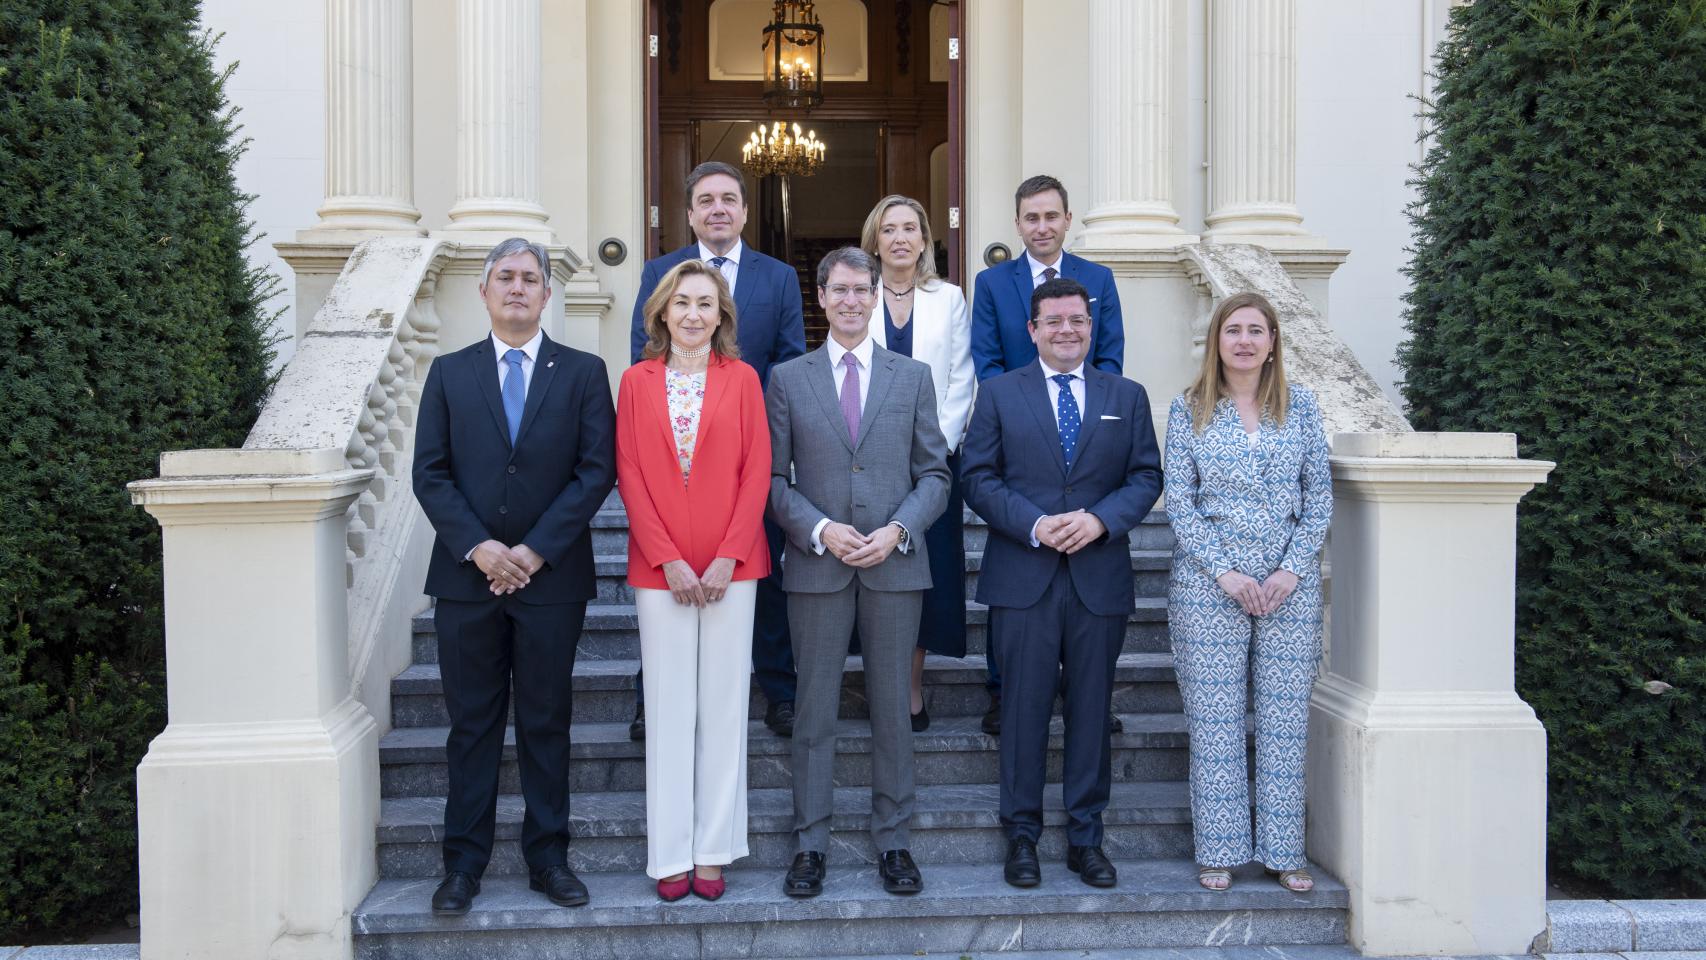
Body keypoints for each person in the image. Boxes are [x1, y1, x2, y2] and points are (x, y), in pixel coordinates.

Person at [413, 238, 617, 915]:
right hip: (466, 580)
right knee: (471, 725)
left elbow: (596, 471)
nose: (519, 288)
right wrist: (479, 548)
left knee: (545, 720)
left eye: (531, 278)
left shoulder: (584, 372)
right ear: (484, 291)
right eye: (506, 277)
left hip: (550, 581)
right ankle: (463, 865)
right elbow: (430, 474)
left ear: (547, 293)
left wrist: (532, 552)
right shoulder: (448, 373)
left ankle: (548, 858)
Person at [962, 276, 1162, 891]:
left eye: (1076, 320)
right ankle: (1021, 838)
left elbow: (1146, 475)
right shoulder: (997, 393)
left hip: (1098, 577)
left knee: (1090, 712)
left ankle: (1085, 840)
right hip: (1025, 575)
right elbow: (977, 475)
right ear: (1033, 330)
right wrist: (1036, 523)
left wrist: (1099, 519)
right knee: (1022, 712)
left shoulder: (1126, 395)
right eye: (1053, 321)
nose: (1066, 330)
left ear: (1090, 325)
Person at [766, 247, 950, 899]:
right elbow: (771, 480)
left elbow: (935, 473)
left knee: (892, 713)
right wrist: (819, 528)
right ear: (820, 297)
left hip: (895, 566)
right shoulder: (788, 379)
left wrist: (899, 529)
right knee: (814, 711)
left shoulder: (914, 377)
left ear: (876, 296)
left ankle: (894, 841)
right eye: (838, 290)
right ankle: (810, 843)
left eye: (860, 290)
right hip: (818, 566)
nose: (850, 301)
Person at [628, 160, 806, 742]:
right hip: (675, 449)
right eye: (706, 200)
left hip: (748, 448)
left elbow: (787, 361)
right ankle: (647, 698)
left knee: (767, 572)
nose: (718, 209)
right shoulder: (660, 270)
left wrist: (761, 434)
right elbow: (642, 353)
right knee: (661, 591)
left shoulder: (777, 276)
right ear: (690, 212)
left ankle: (778, 690)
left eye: (729, 199)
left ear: (745, 210)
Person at [1163, 291, 1331, 894]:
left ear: (1273, 342)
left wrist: (1290, 569)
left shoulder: (1303, 408)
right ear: (1217, 341)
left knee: (1286, 721)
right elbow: (1179, 502)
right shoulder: (1190, 410)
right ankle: (1221, 848)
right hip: (1211, 587)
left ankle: (1285, 851)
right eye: (1232, 330)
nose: (1243, 341)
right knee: (1215, 721)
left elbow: (1319, 499)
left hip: (1291, 586)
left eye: (1255, 330)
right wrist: (1226, 572)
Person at [616, 259, 771, 903]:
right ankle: (671, 853)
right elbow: (629, 473)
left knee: (724, 709)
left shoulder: (744, 380)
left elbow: (757, 470)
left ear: (722, 315)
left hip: (733, 569)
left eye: (706, 303)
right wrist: (668, 558)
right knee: (671, 711)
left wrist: (727, 556)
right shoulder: (635, 381)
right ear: (661, 312)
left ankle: (712, 849)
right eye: (681, 302)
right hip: (663, 572)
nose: (692, 314)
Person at [969, 174, 1126, 735]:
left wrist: (1088, 431)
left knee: (1087, 594)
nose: (1041, 226)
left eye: (1051, 216)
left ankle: (1089, 697)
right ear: (1017, 224)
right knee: (1016, 579)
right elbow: (985, 362)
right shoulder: (991, 283)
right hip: (1017, 447)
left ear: (1067, 219)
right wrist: (1018, 415)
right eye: (1031, 217)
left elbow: (1108, 360)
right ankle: (1004, 691)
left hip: (1085, 448)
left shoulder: (1099, 280)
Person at [859, 195, 974, 732]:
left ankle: (909, 690)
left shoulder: (948, 298)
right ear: (875, 241)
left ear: (926, 239)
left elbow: (961, 377)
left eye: (910, 228)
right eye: (889, 230)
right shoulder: (859, 295)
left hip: (933, 466)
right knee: (876, 572)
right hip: (869, 460)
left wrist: (935, 449)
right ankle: (876, 681)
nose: (900, 238)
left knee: (927, 577)